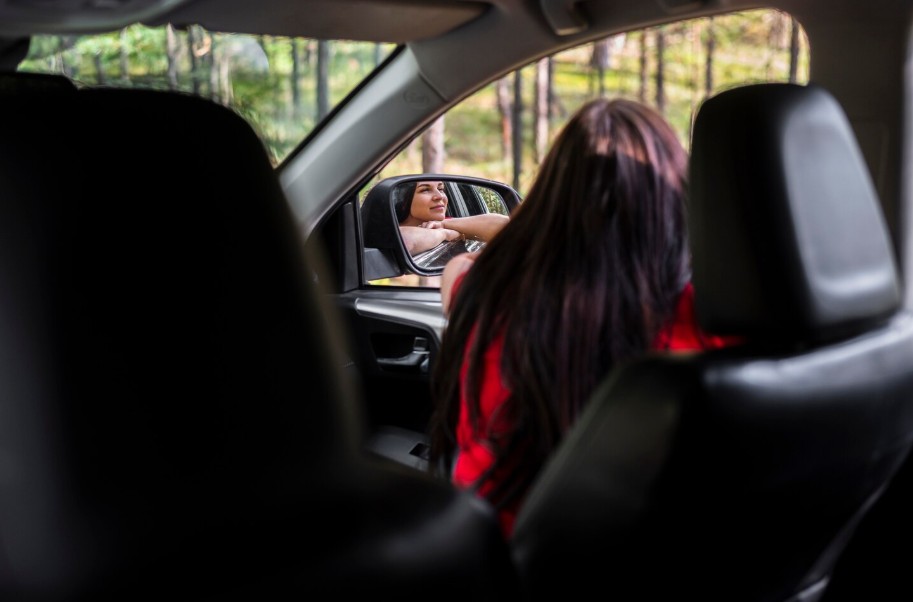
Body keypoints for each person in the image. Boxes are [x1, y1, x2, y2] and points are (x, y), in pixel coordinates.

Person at [426, 98, 740, 538]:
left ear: (551, 201)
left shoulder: (489, 294)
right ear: (674, 202)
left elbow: (458, 268)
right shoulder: (719, 321)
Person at [396, 180, 509, 255]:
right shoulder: (392, 229)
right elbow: (405, 241)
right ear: (405, 202)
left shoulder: (448, 223)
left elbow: (507, 226)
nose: (439, 196)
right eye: (425, 190)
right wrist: (445, 234)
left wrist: (444, 224)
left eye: (441, 189)